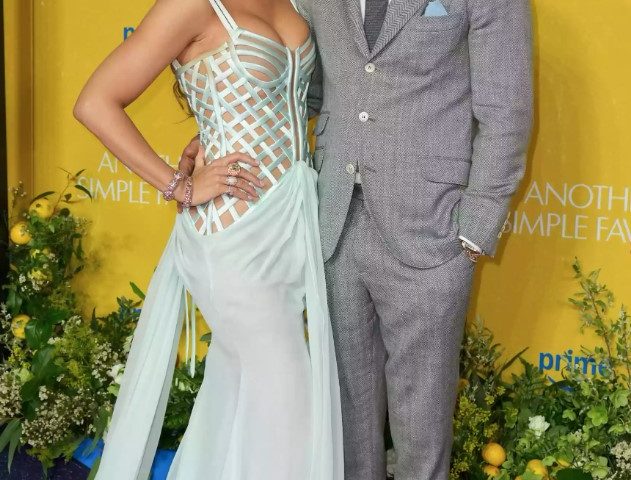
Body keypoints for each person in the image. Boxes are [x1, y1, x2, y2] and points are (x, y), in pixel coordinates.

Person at [180, 0, 534, 478]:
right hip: (333, 218)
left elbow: (506, 111)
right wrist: (219, 133)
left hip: (431, 226)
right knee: (346, 412)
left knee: (422, 421)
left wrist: (474, 227)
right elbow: (302, 88)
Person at [73, 0, 344, 478]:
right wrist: (179, 185)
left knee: (235, 400)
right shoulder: (191, 5)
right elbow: (95, 102)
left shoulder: (296, 2)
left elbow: (292, 102)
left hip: (291, 225)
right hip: (234, 236)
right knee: (290, 411)